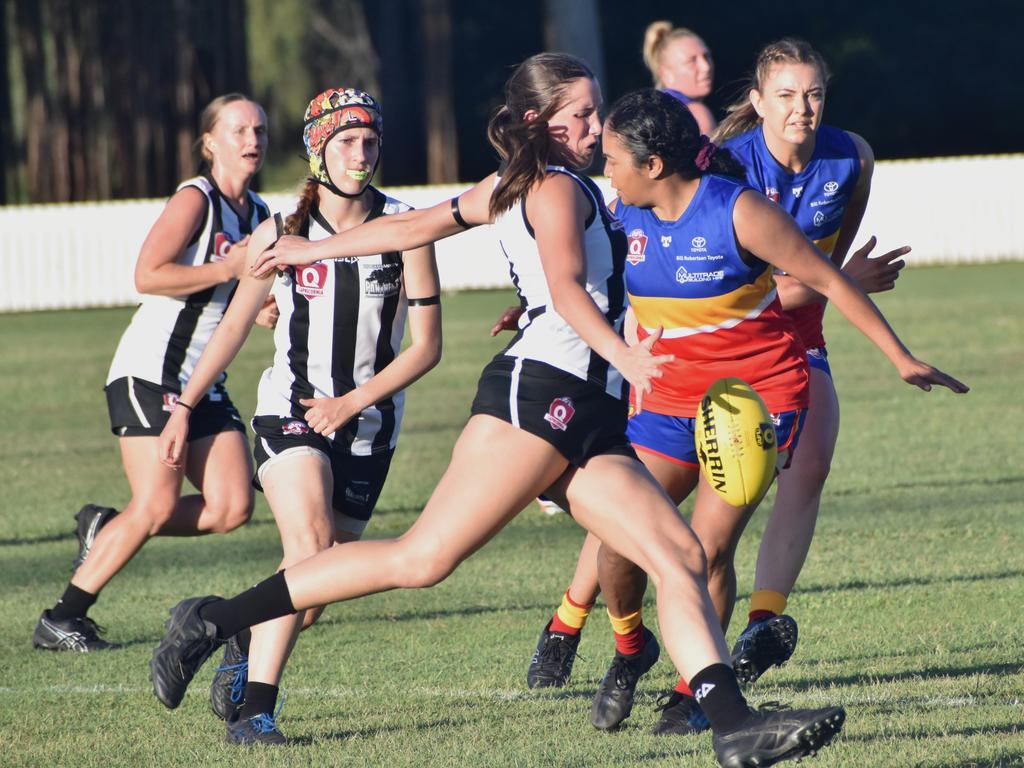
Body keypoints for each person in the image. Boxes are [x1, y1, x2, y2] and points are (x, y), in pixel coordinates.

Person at [149, 54, 848, 767]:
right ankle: (210, 621)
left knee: (679, 557)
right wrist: (627, 354)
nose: (595, 125)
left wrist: (311, 248)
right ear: (541, 121)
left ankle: (731, 726)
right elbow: (568, 289)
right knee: (420, 559)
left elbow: (410, 226)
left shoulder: (528, 181)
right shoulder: (550, 188)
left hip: (583, 405)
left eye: (596, 110)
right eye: (580, 113)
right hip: (543, 394)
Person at [524, 88, 966, 736]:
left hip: (753, 400)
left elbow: (832, 278)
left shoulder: (740, 213)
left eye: (614, 156)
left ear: (652, 164)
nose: (605, 168)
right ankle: (628, 646)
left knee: (706, 551)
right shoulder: (624, 214)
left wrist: (899, 357)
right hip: (668, 400)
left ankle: (691, 694)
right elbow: (591, 288)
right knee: (619, 544)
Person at [151, 87, 443, 745]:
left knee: (311, 591)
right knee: (307, 550)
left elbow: (428, 347)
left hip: (368, 427)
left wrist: (354, 404)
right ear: (317, 150)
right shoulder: (279, 231)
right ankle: (256, 713)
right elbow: (230, 327)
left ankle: (221, 623)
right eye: (345, 142)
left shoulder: (408, 227)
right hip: (289, 413)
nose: (360, 154)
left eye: (369, 141)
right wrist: (184, 407)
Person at [32, 94, 273, 652]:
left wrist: (260, 305)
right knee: (159, 503)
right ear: (210, 142)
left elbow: (237, 290)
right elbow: (148, 273)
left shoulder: (259, 214)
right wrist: (228, 267)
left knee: (233, 505)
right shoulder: (197, 198)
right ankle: (62, 617)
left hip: (202, 382)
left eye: (258, 129)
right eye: (238, 130)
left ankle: (108, 526)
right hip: (151, 372)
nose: (252, 140)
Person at [713, 38, 910, 688]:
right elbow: (742, 292)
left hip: (799, 334)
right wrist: (837, 280)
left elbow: (831, 254)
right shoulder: (726, 170)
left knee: (811, 466)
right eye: (788, 95)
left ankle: (761, 624)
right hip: (727, 342)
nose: (804, 108)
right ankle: (602, 628)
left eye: (814, 93)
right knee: (715, 520)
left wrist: (834, 282)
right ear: (757, 102)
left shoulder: (851, 157)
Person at [643, 20, 716, 134]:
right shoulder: (695, 114)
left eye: (706, 57)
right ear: (666, 74)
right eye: (691, 61)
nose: (706, 67)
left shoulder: (647, 114)